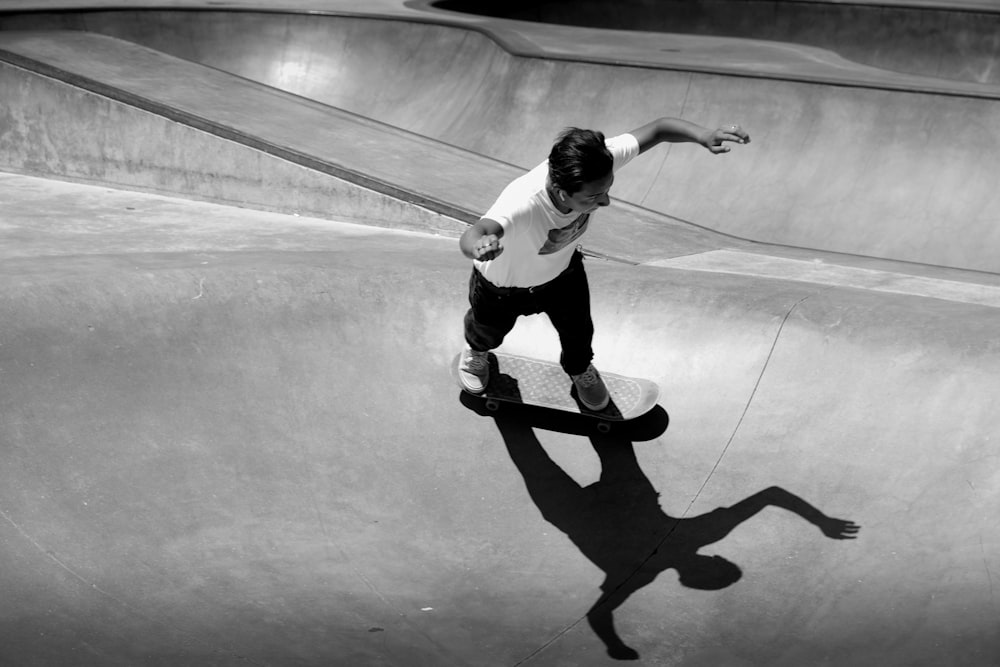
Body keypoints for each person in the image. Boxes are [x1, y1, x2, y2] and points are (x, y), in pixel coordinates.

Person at [458, 117, 750, 409]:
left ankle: (579, 369)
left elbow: (659, 129)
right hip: (501, 290)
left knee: (579, 333)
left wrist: (703, 135)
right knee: (486, 331)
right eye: (595, 197)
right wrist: (479, 246)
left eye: (607, 190)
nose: (606, 202)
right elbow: (476, 232)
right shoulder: (523, 202)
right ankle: (477, 352)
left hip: (562, 278)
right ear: (562, 192)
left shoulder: (596, 162)